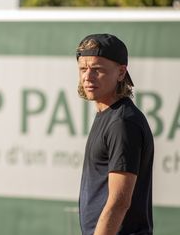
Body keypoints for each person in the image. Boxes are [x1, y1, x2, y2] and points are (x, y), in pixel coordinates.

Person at [76, 33, 154, 235]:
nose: (87, 76)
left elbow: (119, 202)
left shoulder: (122, 123)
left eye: (97, 69)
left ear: (121, 72)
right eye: (83, 69)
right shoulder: (107, 115)